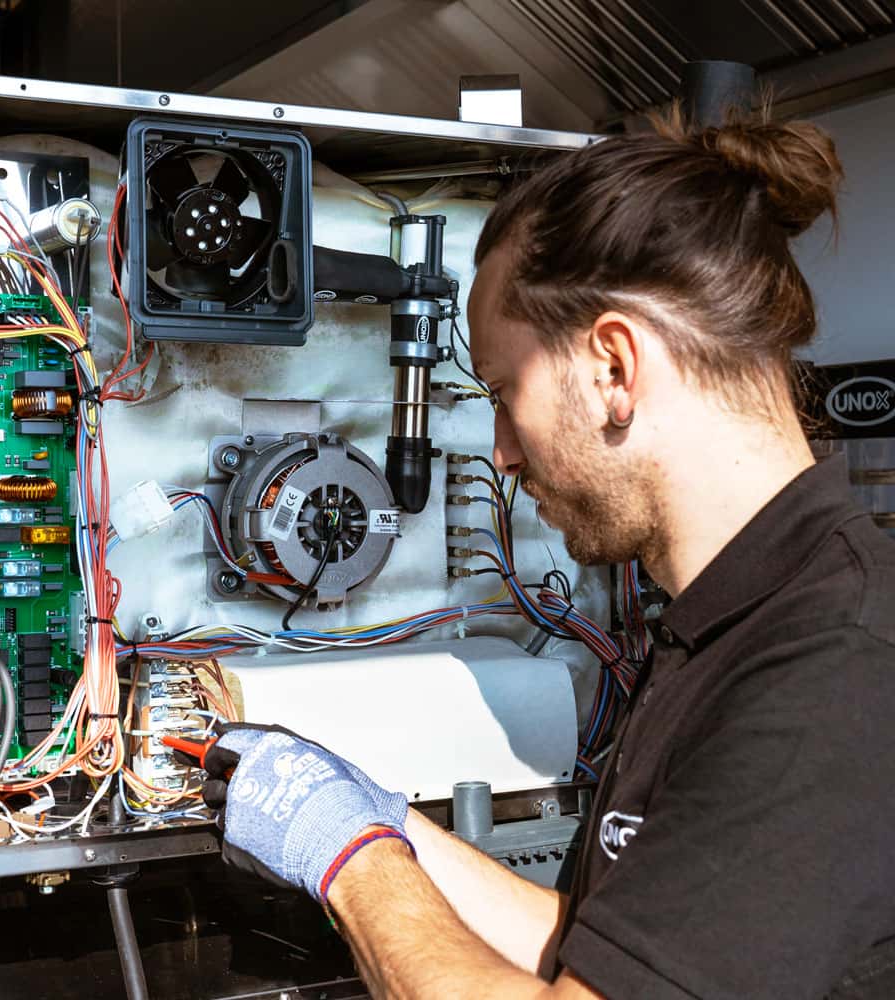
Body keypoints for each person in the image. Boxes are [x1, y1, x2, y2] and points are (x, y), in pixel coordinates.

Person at [197, 109, 895, 998]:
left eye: (503, 393)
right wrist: (384, 823)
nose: (501, 452)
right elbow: (604, 952)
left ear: (613, 368)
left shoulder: (834, 672)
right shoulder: (725, 625)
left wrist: (350, 856)